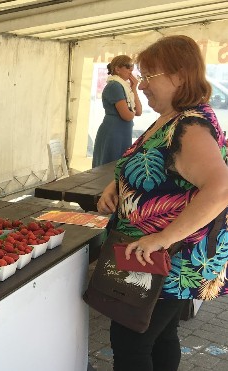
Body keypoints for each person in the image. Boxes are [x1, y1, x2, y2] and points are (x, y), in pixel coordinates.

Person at [96, 35, 228, 370]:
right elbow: (159, 166)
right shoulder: (171, 118)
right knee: (160, 336)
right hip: (159, 258)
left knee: (130, 345)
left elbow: (221, 188)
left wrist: (162, 238)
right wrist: (117, 185)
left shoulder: (189, 125)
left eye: (149, 76)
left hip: (168, 257)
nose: (140, 85)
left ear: (180, 76)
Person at [92, 55, 143, 167]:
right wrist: (132, 112)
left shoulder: (124, 87)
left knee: (119, 166)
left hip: (122, 131)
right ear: (117, 69)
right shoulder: (114, 86)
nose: (131, 70)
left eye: (132, 67)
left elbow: (138, 111)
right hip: (114, 132)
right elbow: (127, 116)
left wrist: (134, 88)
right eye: (128, 66)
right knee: (110, 167)